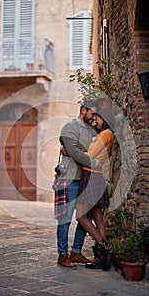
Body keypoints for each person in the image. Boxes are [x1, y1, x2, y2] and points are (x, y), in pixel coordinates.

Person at [54, 100, 100, 269]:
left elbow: (105, 134)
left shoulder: (92, 130)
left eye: (96, 115)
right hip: (68, 179)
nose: (94, 117)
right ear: (83, 111)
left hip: (84, 180)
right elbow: (72, 151)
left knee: (85, 217)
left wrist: (122, 113)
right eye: (92, 113)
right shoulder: (70, 127)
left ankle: (76, 251)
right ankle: (62, 255)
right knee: (64, 218)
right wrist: (92, 161)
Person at [76, 107, 115, 271]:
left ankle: (104, 246)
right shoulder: (109, 134)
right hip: (96, 175)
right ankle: (102, 257)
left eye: (97, 118)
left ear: (104, 118)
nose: (94, 121)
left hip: (90, 175)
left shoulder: (105, 134)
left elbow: (90, 156)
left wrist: (73, 151)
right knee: (97, 215)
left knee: (81, 216)